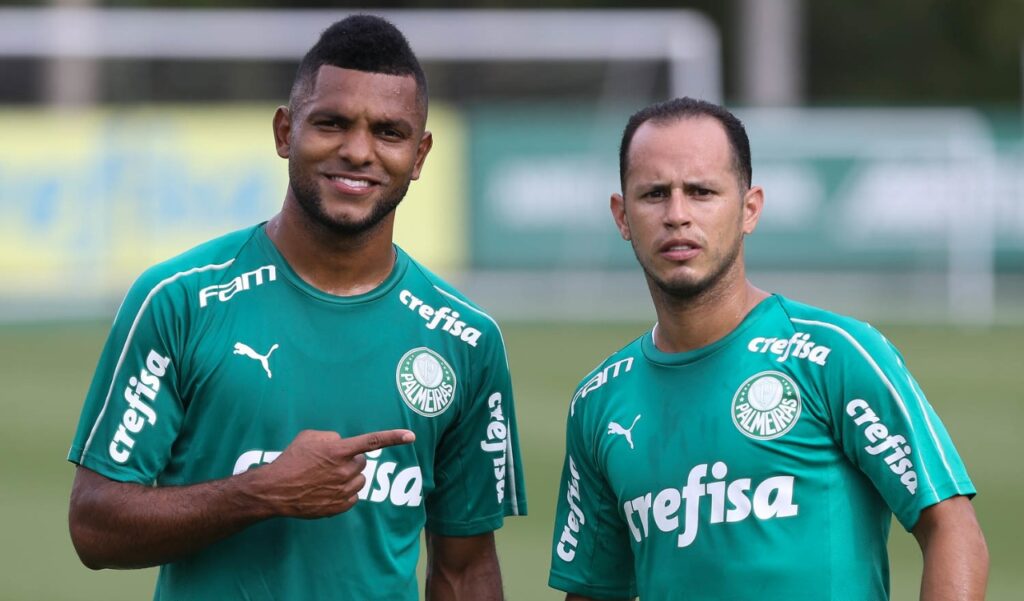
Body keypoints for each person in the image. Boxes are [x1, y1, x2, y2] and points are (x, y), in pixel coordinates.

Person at [67, 15, 526, 601]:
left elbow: (464, 570)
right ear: (286, 132)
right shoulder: (179, 299)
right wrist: (259, 492)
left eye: (389, 132)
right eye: (331, 123)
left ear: (420, 153)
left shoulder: (466, 338)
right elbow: (94, 527)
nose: (358, 151)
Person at [548, 97, 988, 600]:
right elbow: (593, 591)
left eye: (701, 192)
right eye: (654, 194)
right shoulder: (599, 402)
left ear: (749, 209)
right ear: (622, 216)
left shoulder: (836, 356)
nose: (677, 214)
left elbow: (952, 527)